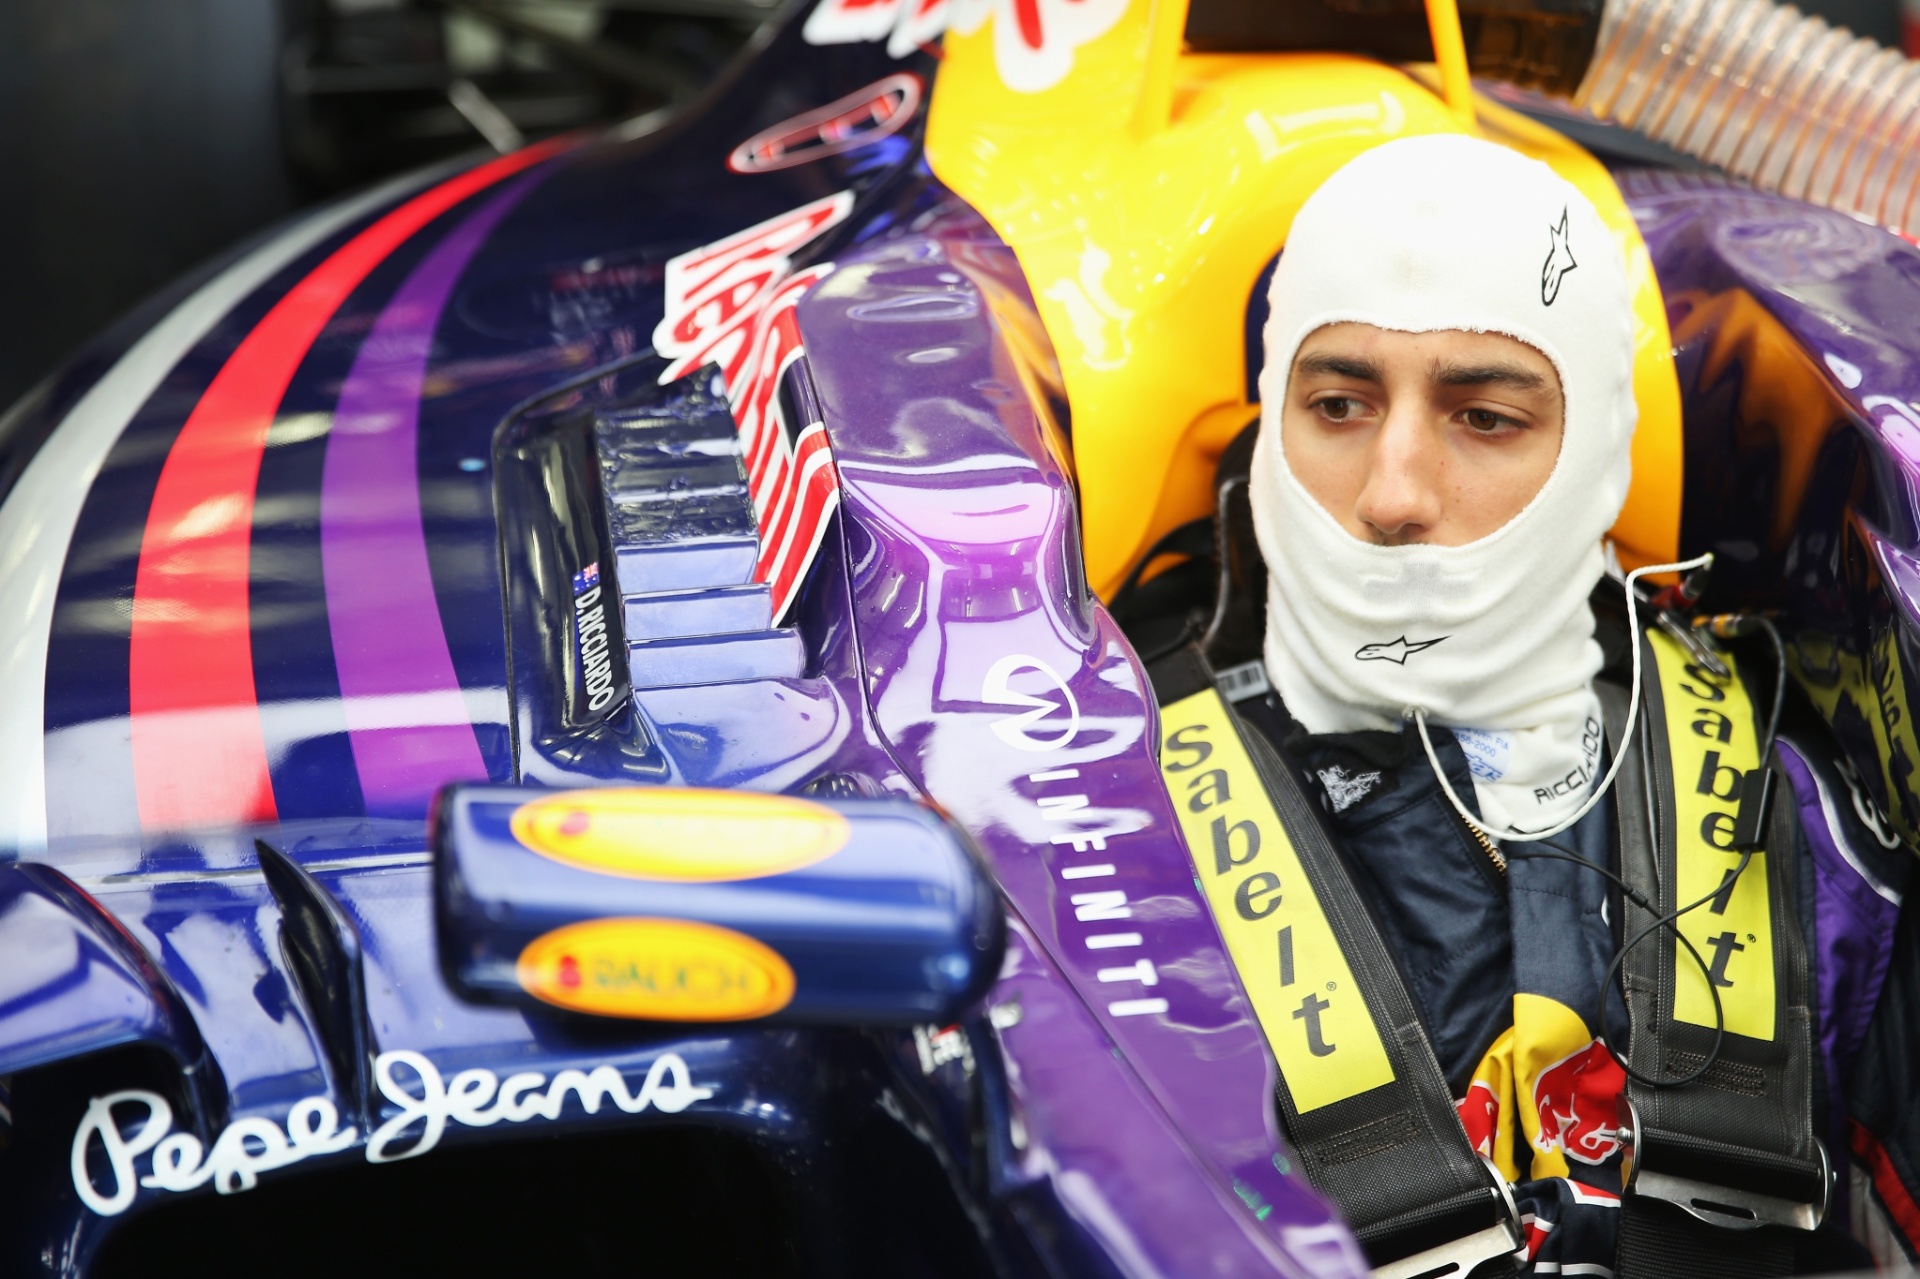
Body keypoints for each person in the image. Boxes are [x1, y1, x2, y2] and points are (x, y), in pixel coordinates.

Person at [1224, 134, 1918, 1276]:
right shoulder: (1099, 815)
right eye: (1339, 404)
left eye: (1485, 418)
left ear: (1597, 451)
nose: (1393, 494)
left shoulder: (1799, 806)